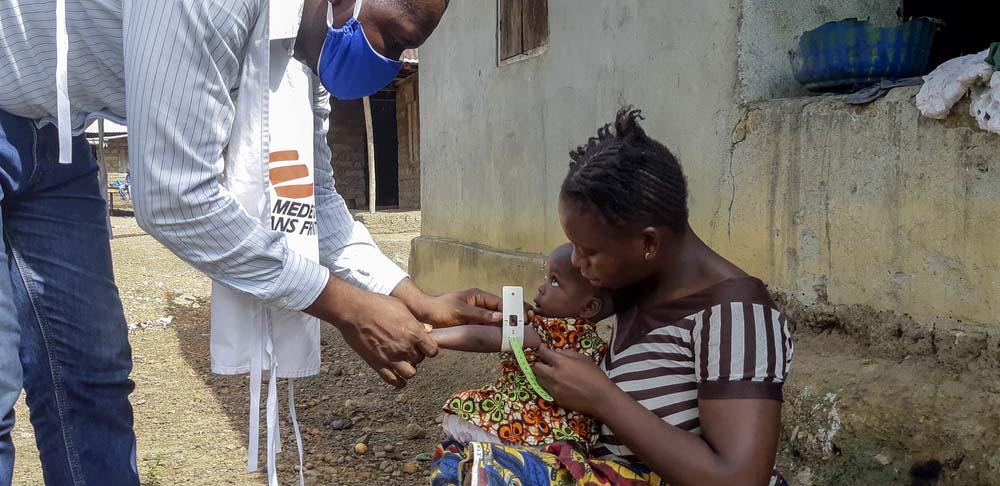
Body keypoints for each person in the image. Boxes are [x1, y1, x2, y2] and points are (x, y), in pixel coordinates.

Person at [0, 1, 496, 484]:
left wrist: (410, 296)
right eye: (397, 39)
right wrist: (349, 309)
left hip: (57, 141)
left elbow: (312, 197)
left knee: (91, 377)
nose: (394, 65)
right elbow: (177, 199)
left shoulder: (306, 48)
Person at [430, 108, 793, 486]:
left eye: (588, 251)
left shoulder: (738, 316)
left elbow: (741, 478)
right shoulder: (636, 285)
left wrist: (602, 398)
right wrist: (525, 317)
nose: (576, 261)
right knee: (463, 460)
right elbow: (559, 319)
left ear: (648, 243)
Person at [431, 243, 611, 448]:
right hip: (573, 435)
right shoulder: (594, 343)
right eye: (546, 277)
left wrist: (431, 336)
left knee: (456, 418)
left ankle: (501, 456)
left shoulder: (551, 330)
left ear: (588, 307)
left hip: (529, 428)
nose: (541, 287)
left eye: (554, 281)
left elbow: (483, 338)